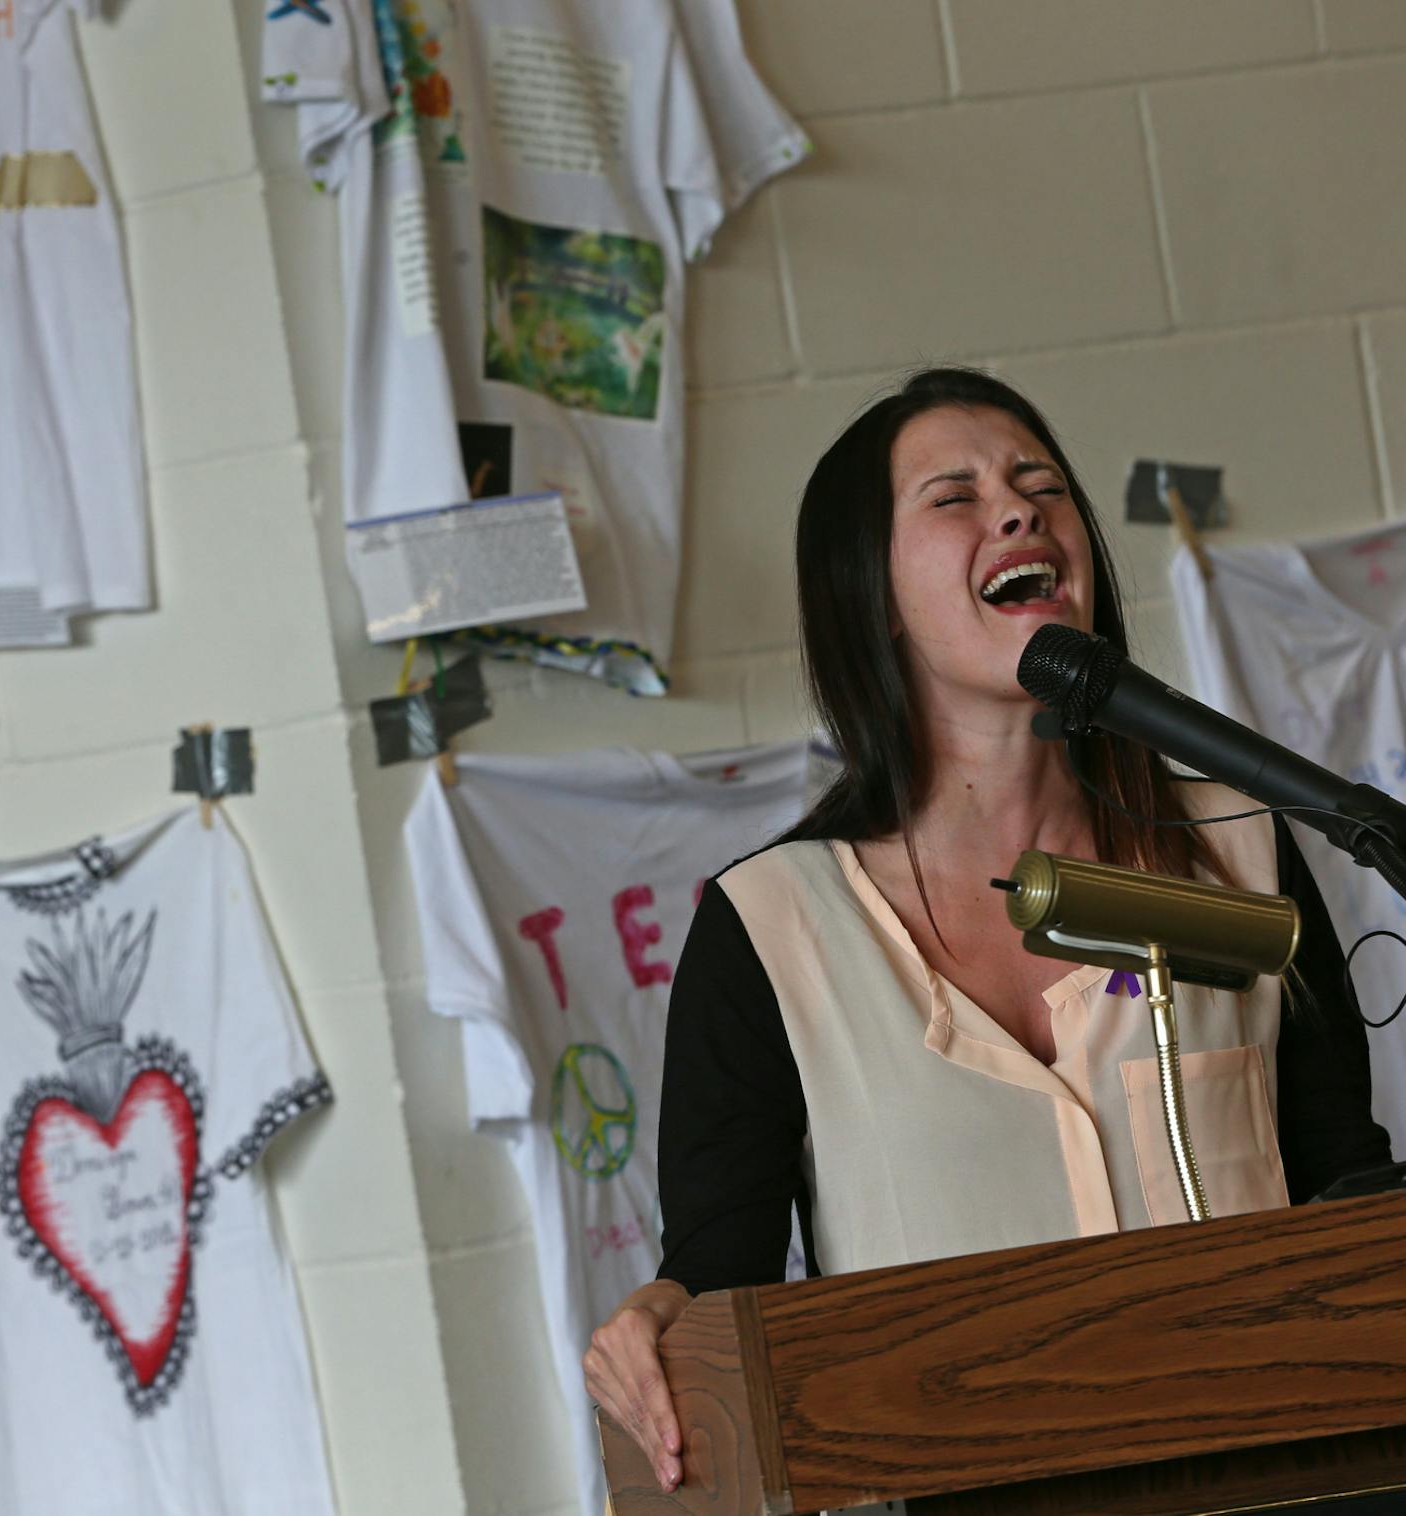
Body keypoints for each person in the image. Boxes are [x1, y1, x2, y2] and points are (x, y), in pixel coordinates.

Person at [582, 367, 1395, 1493]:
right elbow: (716, 1284)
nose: (1018, 510)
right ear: (870, 592)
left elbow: (1345, 1184)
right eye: (953, 496)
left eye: (1039, 483)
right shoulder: (770, 928)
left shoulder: (1237, 846)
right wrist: (657, 1320)